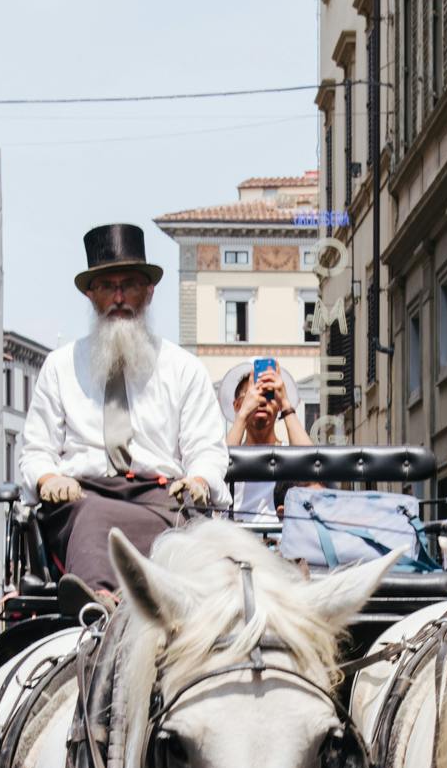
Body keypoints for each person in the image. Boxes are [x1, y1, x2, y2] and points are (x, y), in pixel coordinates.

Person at [18, 223, 229, 592]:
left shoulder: (184, 368)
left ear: (148, 292)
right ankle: (98, 605)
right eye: (107, 287)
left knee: (185, 528)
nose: (119, 298)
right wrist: (48, 479)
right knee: (96, 516)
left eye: (129, 285)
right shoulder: (60, 366)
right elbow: (36, 450)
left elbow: (207, 449)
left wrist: (197, 480)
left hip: (163, 497)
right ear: (90, 295)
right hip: (83, 496)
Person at [228, 362, 312, 521]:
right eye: (251, 396)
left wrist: (286, 404)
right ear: (237, 405)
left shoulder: (290, 452)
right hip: (236, 541)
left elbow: (312, 467)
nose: (261, 402)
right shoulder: (230, 446)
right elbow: (218, 466)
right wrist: (243, 413)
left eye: (268, 395)